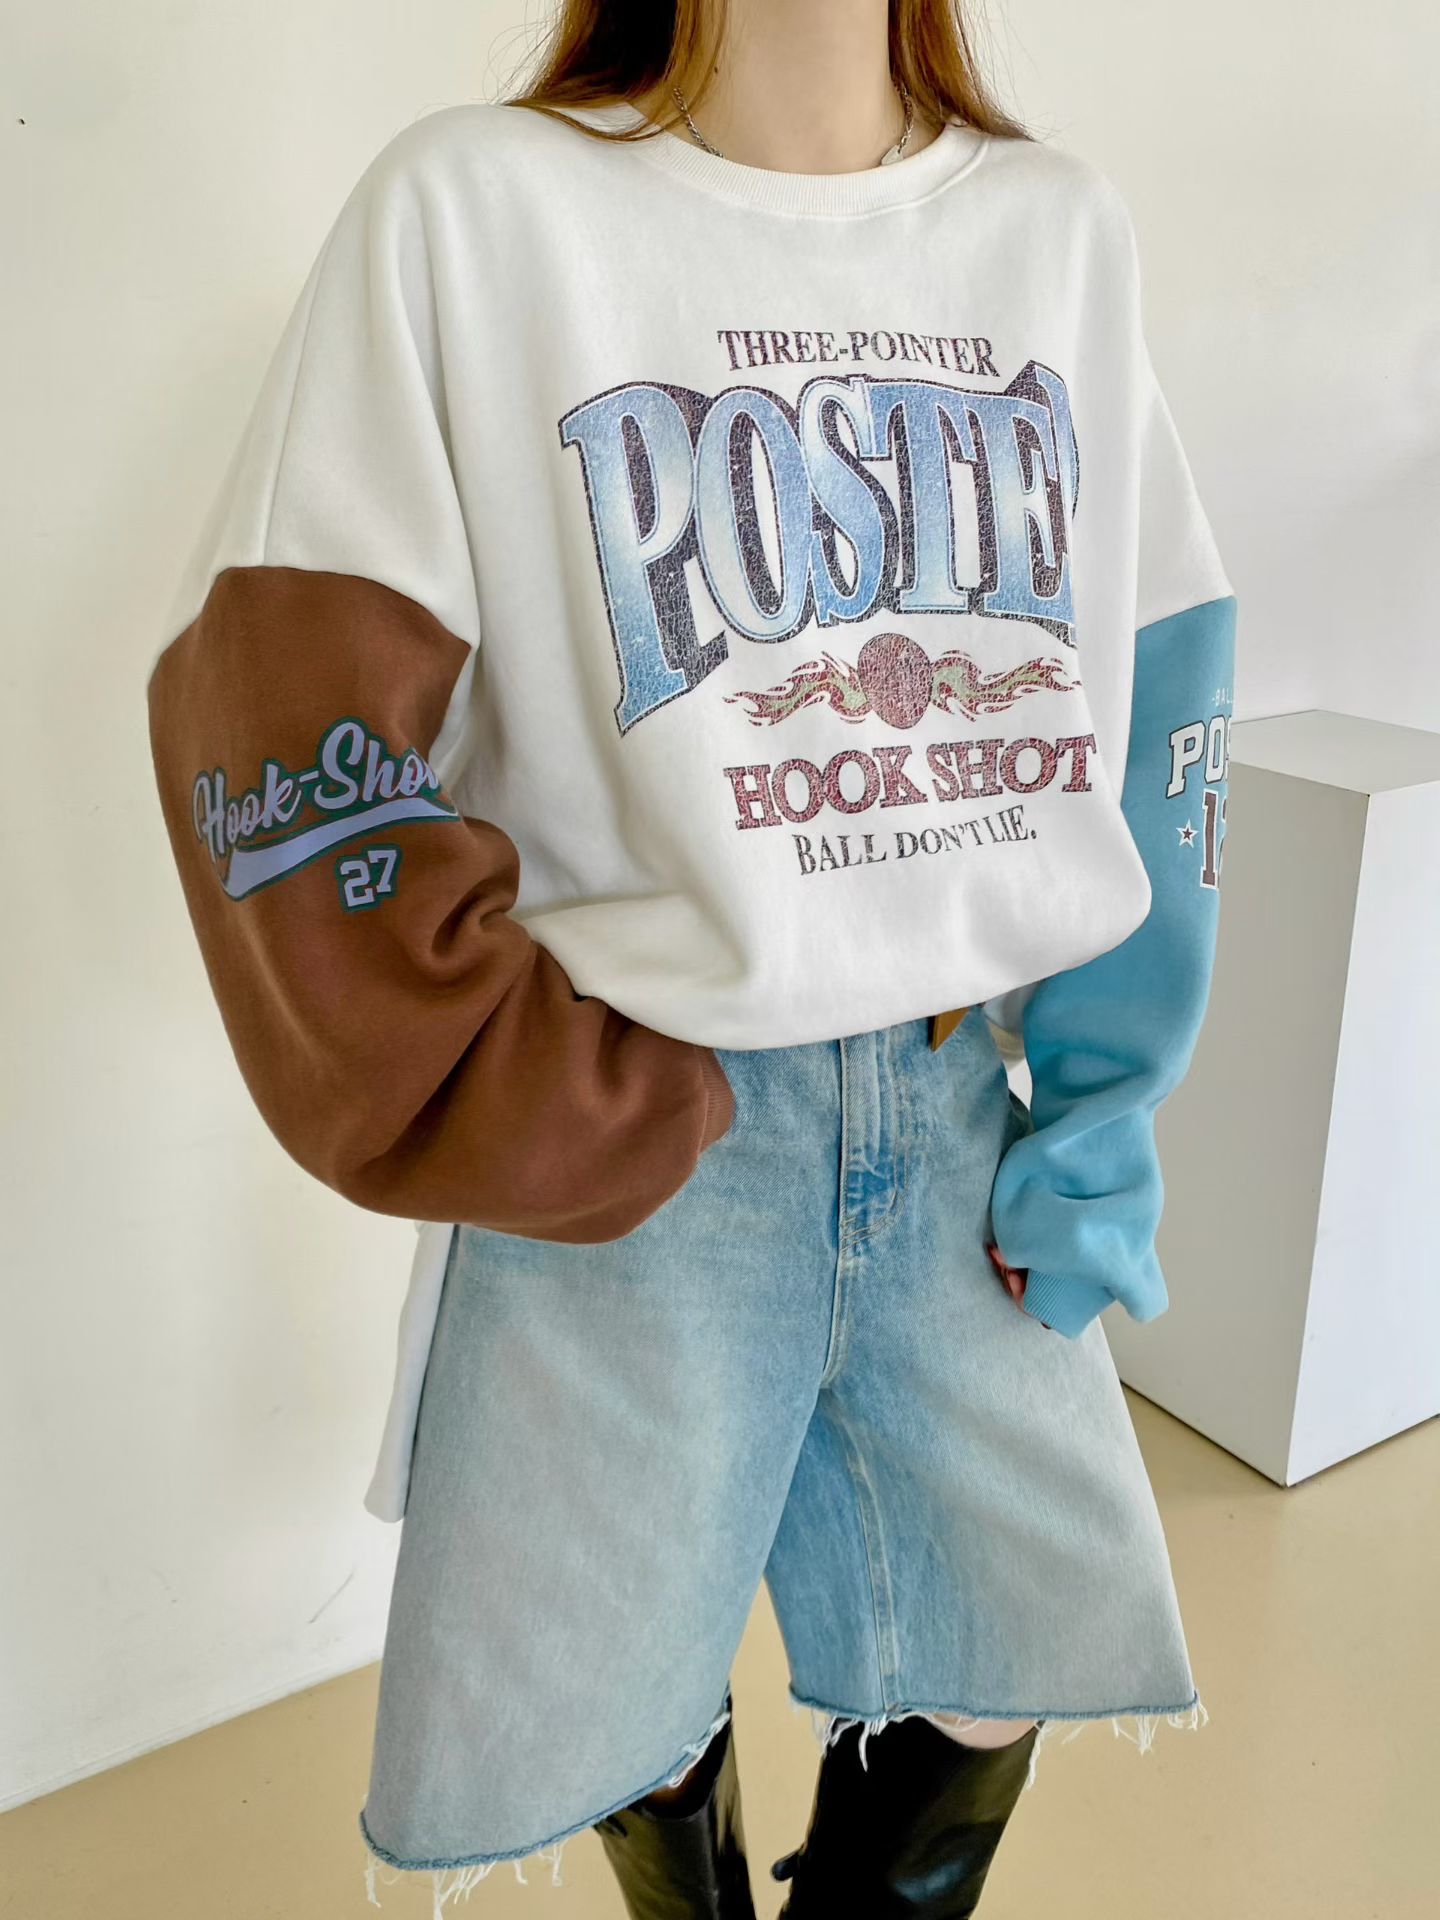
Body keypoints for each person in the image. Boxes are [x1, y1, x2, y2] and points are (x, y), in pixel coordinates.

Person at [143, 1, 1237, 1913]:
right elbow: (274, 712)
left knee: (1004, 1639)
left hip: (956, 1119)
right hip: (637, 1142)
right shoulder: (476, 211)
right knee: (614, 1697)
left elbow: (1153, 695)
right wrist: (517, 1092)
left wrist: (1106, 1093)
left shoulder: (1056, 228)